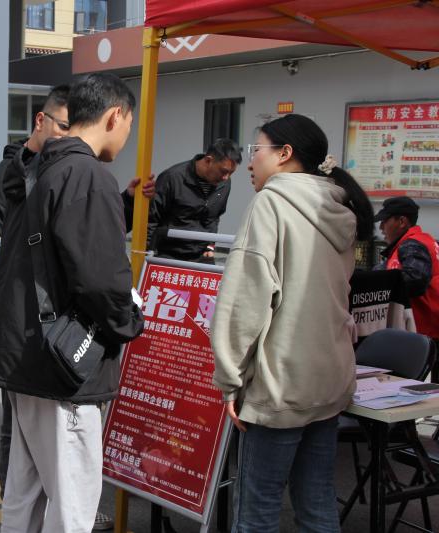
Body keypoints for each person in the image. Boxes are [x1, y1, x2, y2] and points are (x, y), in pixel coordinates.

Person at [0, 83, 153, 531]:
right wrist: (128, 319)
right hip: (63, 369)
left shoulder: (35, 168)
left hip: (27, 353)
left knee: (27, 494)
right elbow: (101, 277)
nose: (126, 135)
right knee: (72, 502)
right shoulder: (87, 175)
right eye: (129, 124)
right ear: (115, 116)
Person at [210, 113, 374, 532]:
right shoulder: (339, 207)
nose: (249, 162)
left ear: (284, 154)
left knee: (257, 511)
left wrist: (230, 379)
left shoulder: (272, 203)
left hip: (280, 384)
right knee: (316, 502)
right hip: (329, 381)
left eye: (256, 150)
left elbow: (245, 303)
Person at [374, 196, 439, 381]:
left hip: (428, 331)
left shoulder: (412, 244)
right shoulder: (416, 242)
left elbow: (415, 279)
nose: (381, 227)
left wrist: (383, 283)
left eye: (385, 221)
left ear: (402, 221)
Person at [147, 138, 242, 262]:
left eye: (231, 173)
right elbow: (151, 218)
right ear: (208, 160)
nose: (226, 177)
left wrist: (210, 246)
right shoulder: (172, 178)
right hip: (168, 254)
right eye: (223, 171)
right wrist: (147, 254)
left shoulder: (224, 183)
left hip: (202, 254)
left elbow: (214, 217)